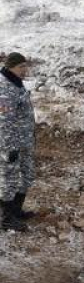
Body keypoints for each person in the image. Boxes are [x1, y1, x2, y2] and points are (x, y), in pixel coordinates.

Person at [1, 52, 37, 232]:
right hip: (11, 144)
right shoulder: (5, 88)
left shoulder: (16, 82)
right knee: (10, 179)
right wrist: (9, 148)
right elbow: (4, 122)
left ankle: (15, 210)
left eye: (25, 66)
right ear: (10, 67)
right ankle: (6, 218)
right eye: (21, 67)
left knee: (27, 175)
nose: (25, 70)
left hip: (24, 141)